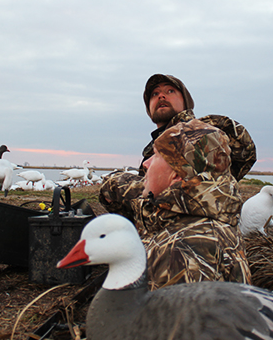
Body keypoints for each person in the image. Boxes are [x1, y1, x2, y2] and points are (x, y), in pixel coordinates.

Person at [100, 119, 251, 290]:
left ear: (178, 175)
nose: (145, 163)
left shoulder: (182, 251)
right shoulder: (210, 221)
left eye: (157, 155)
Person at [140, 74, 257, 181]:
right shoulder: (152, 149)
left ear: (186, 102)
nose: (161, 96)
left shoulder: (201, 133)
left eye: (170, 91)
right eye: (155, 94)